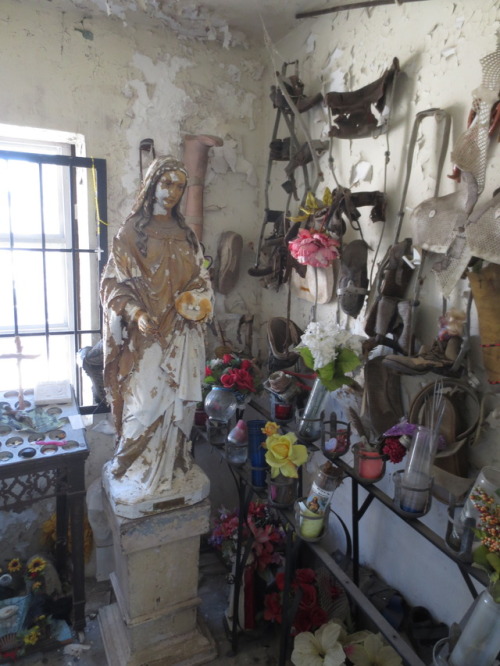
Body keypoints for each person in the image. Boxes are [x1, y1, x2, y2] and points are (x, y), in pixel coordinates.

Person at [101, 155, 213, 505]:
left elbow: (202, 280)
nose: (173, 192)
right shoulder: (130, 232)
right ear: (152, 185)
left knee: (180, 404)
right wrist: (135, 313)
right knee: (144, 407)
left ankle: (175, 464)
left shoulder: (186, 236)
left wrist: (197, 302)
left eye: (180, 186)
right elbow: (113, 286)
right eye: (167, 183)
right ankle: (131, 466)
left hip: (183, 333)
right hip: (145, 337)